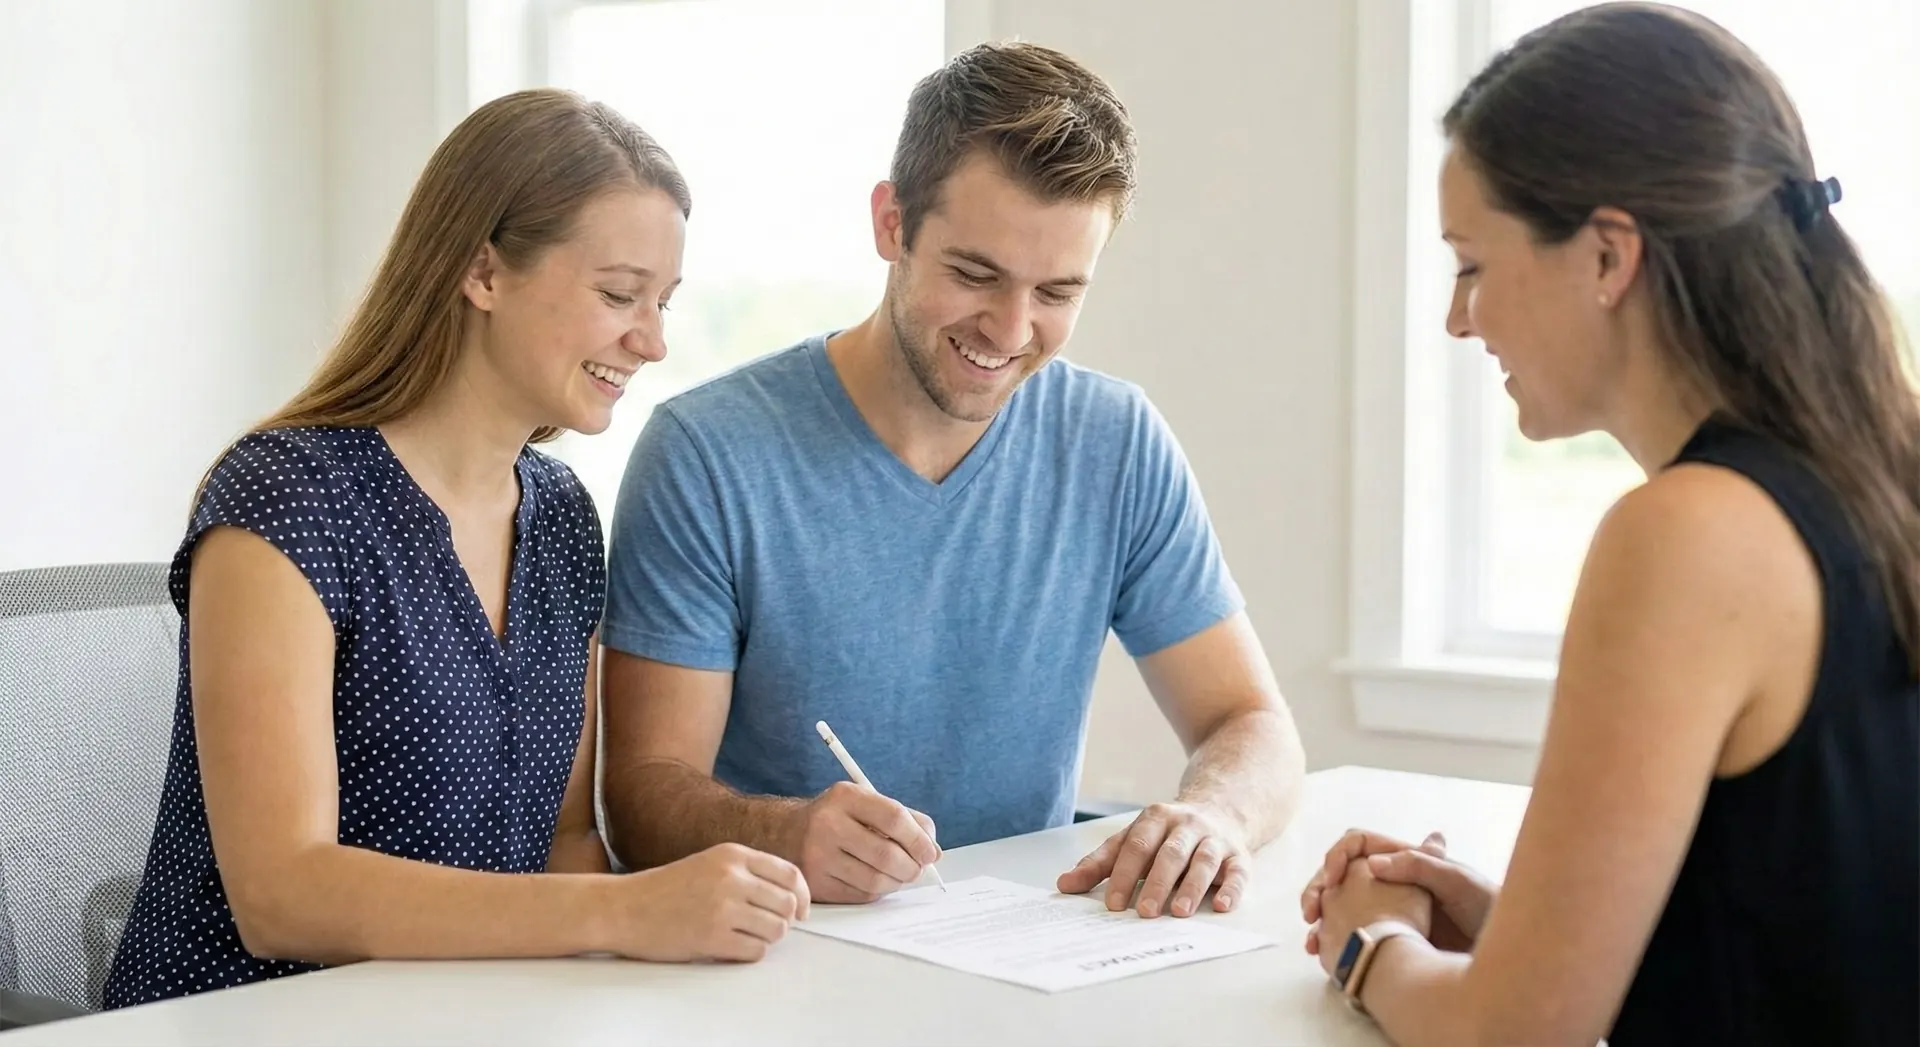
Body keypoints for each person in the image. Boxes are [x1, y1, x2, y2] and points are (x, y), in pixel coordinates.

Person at [104, 88, 810, 1009]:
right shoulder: (284, 498)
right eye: (618, 293)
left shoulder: (559, 516)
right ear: (483, 272)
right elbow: (281, 892)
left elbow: (564, 843)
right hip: (249, 1022)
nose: (652, 339)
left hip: (470, 1014)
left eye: (664, 302)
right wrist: (626, 911)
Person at [1296, 5, 1919, 1045]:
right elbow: (1811, 933)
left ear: (1605, 255)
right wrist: (1516, 926)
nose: (1460, 319)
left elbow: (1511, 1035)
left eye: (1472, 263)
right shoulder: (1873, 482)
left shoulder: (1688, 535)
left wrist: (1372, 944)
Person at [596, 40, 1306, 919]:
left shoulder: (1116, 442)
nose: (1010, 330)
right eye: (976, 274)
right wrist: (787, 834)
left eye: (1057, 292)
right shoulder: (707, 453)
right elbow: (639, 799)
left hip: (1024, 958)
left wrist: (1214, 815)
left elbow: (1253, 723)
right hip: (786, 958)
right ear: (892, 223)